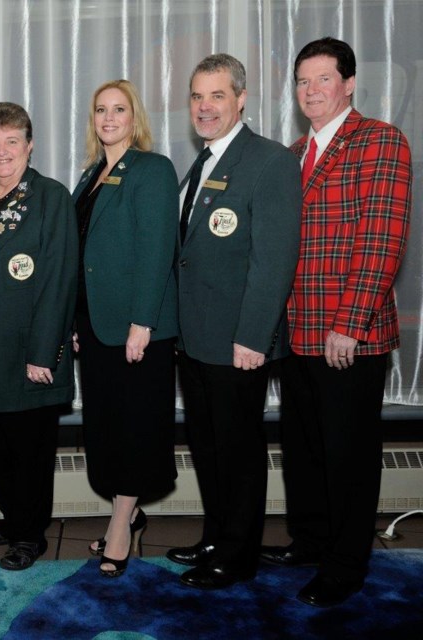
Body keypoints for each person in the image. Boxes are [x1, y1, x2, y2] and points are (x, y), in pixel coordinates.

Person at [264, 37, 412, 608]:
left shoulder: (379, 141)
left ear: (348, 84)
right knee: (303, 449)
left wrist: (349, 323)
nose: (311, 90)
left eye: (323, 79)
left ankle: (346, 563)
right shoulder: (295, 152)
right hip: (297, 332)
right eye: (303, 81)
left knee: (347, 454)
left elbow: (382, 240)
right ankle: (311, 541)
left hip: (349, 334)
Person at [171, 53, 302, 590]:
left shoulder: (269, 161)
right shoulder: (199, 164)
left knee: (239, 450)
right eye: (198, 97)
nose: (205, 107)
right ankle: (215, 535)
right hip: (195, 338)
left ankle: (237, 553)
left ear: (241, 99)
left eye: (217, 95)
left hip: (236, 343)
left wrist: (253, 336)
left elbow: (273, 260)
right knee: (207, 446)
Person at [70, 80, 179, 577]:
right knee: (107, 429)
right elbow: (82, 257)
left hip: (137, 329)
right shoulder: (90, 176)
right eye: (100, 110)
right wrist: (76, 319)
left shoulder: (152, 170)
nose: (109, 118)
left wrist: (143, 322)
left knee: (134, 429)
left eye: (119, 109)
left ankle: (120, 525)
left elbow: (158, 250)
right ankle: (128, 512)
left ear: (135, 118)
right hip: (96, 328)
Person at [0, 103, 77, 571]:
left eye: (12, 141)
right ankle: (13, 519)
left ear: (29, 146)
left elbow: (59, 278)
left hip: (30, 352)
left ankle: (30, 534)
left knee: (30, 451)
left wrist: (43, 350)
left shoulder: (51, 197)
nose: (2, 151)